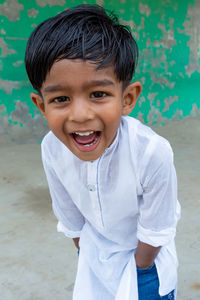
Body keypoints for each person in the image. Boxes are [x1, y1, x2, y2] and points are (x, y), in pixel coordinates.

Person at [25, 4, 180, 300]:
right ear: (41, 105)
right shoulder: (51, 149)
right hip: (94, 259)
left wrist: (140, 268)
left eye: (98, 94)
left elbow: (157, 227)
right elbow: (69, 216)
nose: (80, 115)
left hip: (146, 263)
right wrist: (90, 257)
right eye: (60, 98)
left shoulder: (151, 153)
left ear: (127, 98)